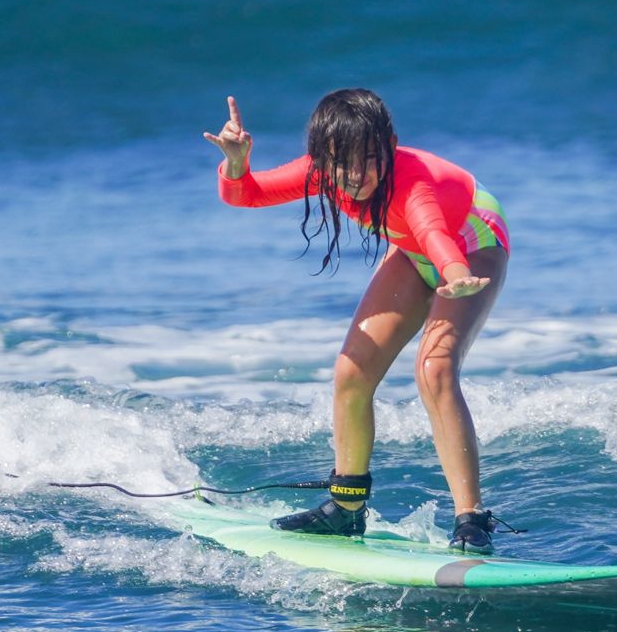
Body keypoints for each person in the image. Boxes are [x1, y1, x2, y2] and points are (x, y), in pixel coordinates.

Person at [204, 88, 510, 553]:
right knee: (351, 372)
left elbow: (432, 230)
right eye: (342, 163)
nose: (356, 176)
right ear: (323, 159)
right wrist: (236, 162)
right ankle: (346, 510)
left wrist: (457, 275)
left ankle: (472, 520)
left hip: (473, 241)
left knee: (436, 369)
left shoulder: (411, 184)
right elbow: (245, 195)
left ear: (388, 146)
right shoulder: (322, 173)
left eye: (369, 159)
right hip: (413, 250)